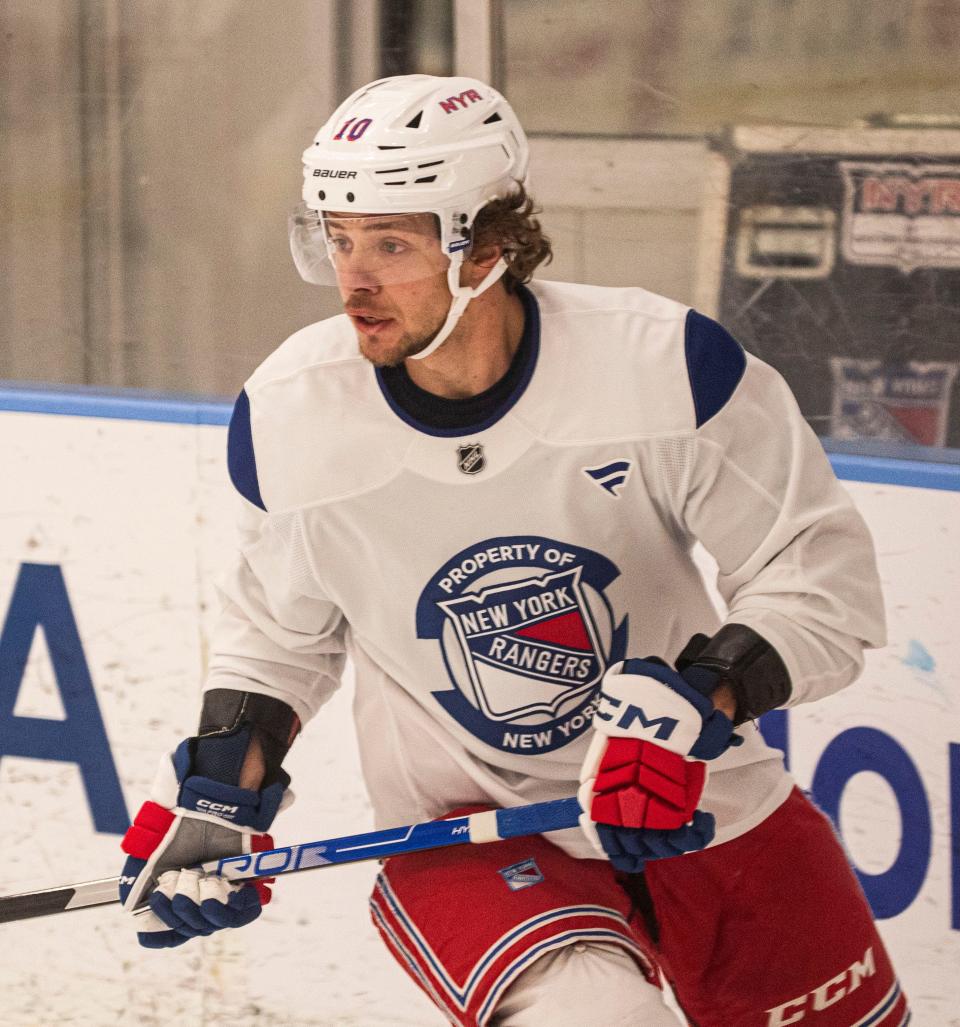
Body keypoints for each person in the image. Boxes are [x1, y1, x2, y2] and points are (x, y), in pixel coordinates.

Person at [119, 74, 910, 1026]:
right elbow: (279, 639)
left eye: (392, 244)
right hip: (470, 835)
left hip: (703, 800)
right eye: (336, 239)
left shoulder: (662, 367)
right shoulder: (291, 415)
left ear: (489, 245)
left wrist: (704, 697)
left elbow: (819, 576)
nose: (353, 279)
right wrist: (219, 786)